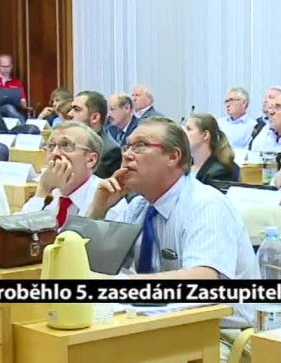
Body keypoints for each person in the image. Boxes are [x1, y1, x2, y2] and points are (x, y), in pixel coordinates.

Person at [86, 117, 256, 359]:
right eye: (127, 146)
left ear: (173, 156)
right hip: (159, 324)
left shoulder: (205, 205)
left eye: (140, 146)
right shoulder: (139, 206)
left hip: (219, 334)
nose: (127, 155)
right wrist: (98, 209)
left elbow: (204, 280)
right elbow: (94, 266)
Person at [21, 121, 127, 221]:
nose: (55, 153)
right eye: (51, 146)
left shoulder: (108, 198)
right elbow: (20, 231)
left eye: (66, 146)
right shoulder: (47, 191)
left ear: (91, 160)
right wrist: (42, 189)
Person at [68, 91, 122, 178]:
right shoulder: (72, 142)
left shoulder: (109, 151)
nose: (69, 114)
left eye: (77, 109)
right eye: (71, 109)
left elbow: (91, 183)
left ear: (94, 117)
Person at [184, 113, 235, 183]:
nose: (183, 133)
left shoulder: (218, 173)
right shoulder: (183, 167)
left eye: (189, 129)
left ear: (205, 135)